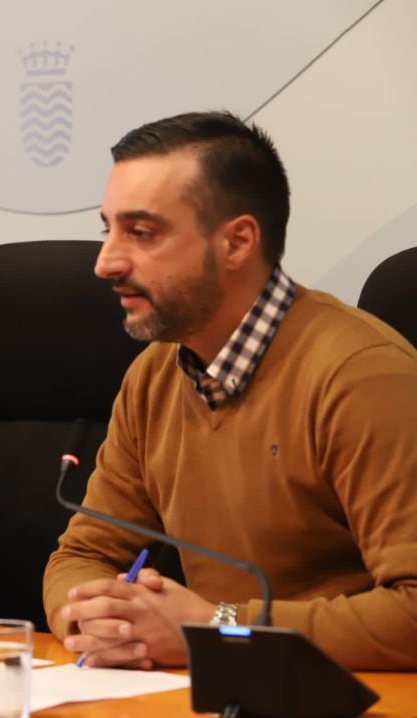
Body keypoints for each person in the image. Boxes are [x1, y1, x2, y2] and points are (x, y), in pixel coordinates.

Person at [43, 111, 417, 671]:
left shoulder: (361, 375)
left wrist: (220, 626)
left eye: (141, 233)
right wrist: (102, 618)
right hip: (219, 691)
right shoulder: (154, 377)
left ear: (238, 241)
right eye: (108, 229)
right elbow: (82, 555)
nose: (106, 262)